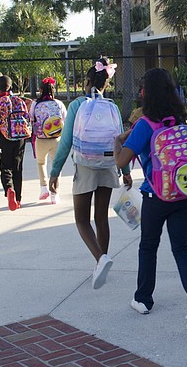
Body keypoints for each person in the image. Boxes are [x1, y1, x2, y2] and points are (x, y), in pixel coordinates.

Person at [114, 68, 187, 330]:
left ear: (145, 94)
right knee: (181, 247)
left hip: (156, 196)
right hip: (185, 192)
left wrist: (118, 141)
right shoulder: (179, 118)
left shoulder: (145, 125)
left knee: (148, 245)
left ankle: (143, 299)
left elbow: (122, 161)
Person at [49, 57, 132, 290]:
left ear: (86, 81)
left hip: (85, 165)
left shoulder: (77, 105)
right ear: (106, 83)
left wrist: (54, 172)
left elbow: (65, 143)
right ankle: (101, 261)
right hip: (107, 165)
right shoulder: (112, 108)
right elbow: (120, 140)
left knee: (81, 219)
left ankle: (100, 259)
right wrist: (125, 170)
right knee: (101, 218)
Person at [0, 75, 28, 210]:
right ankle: (19, 199)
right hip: (20, 138)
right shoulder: (19, 101)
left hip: (5, 138)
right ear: (10, 87)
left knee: (5, 167)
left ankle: (9, 189)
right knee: (18, 168)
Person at [30, 77, 67, 204]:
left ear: (40, 90)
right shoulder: (58, 103)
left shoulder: (35, 104)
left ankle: (44, 187)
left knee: (41, 163)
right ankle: (54, 193)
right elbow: (65, 120)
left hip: (40, 139)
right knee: (56, 166)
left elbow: (31, 119)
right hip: (56, 139)